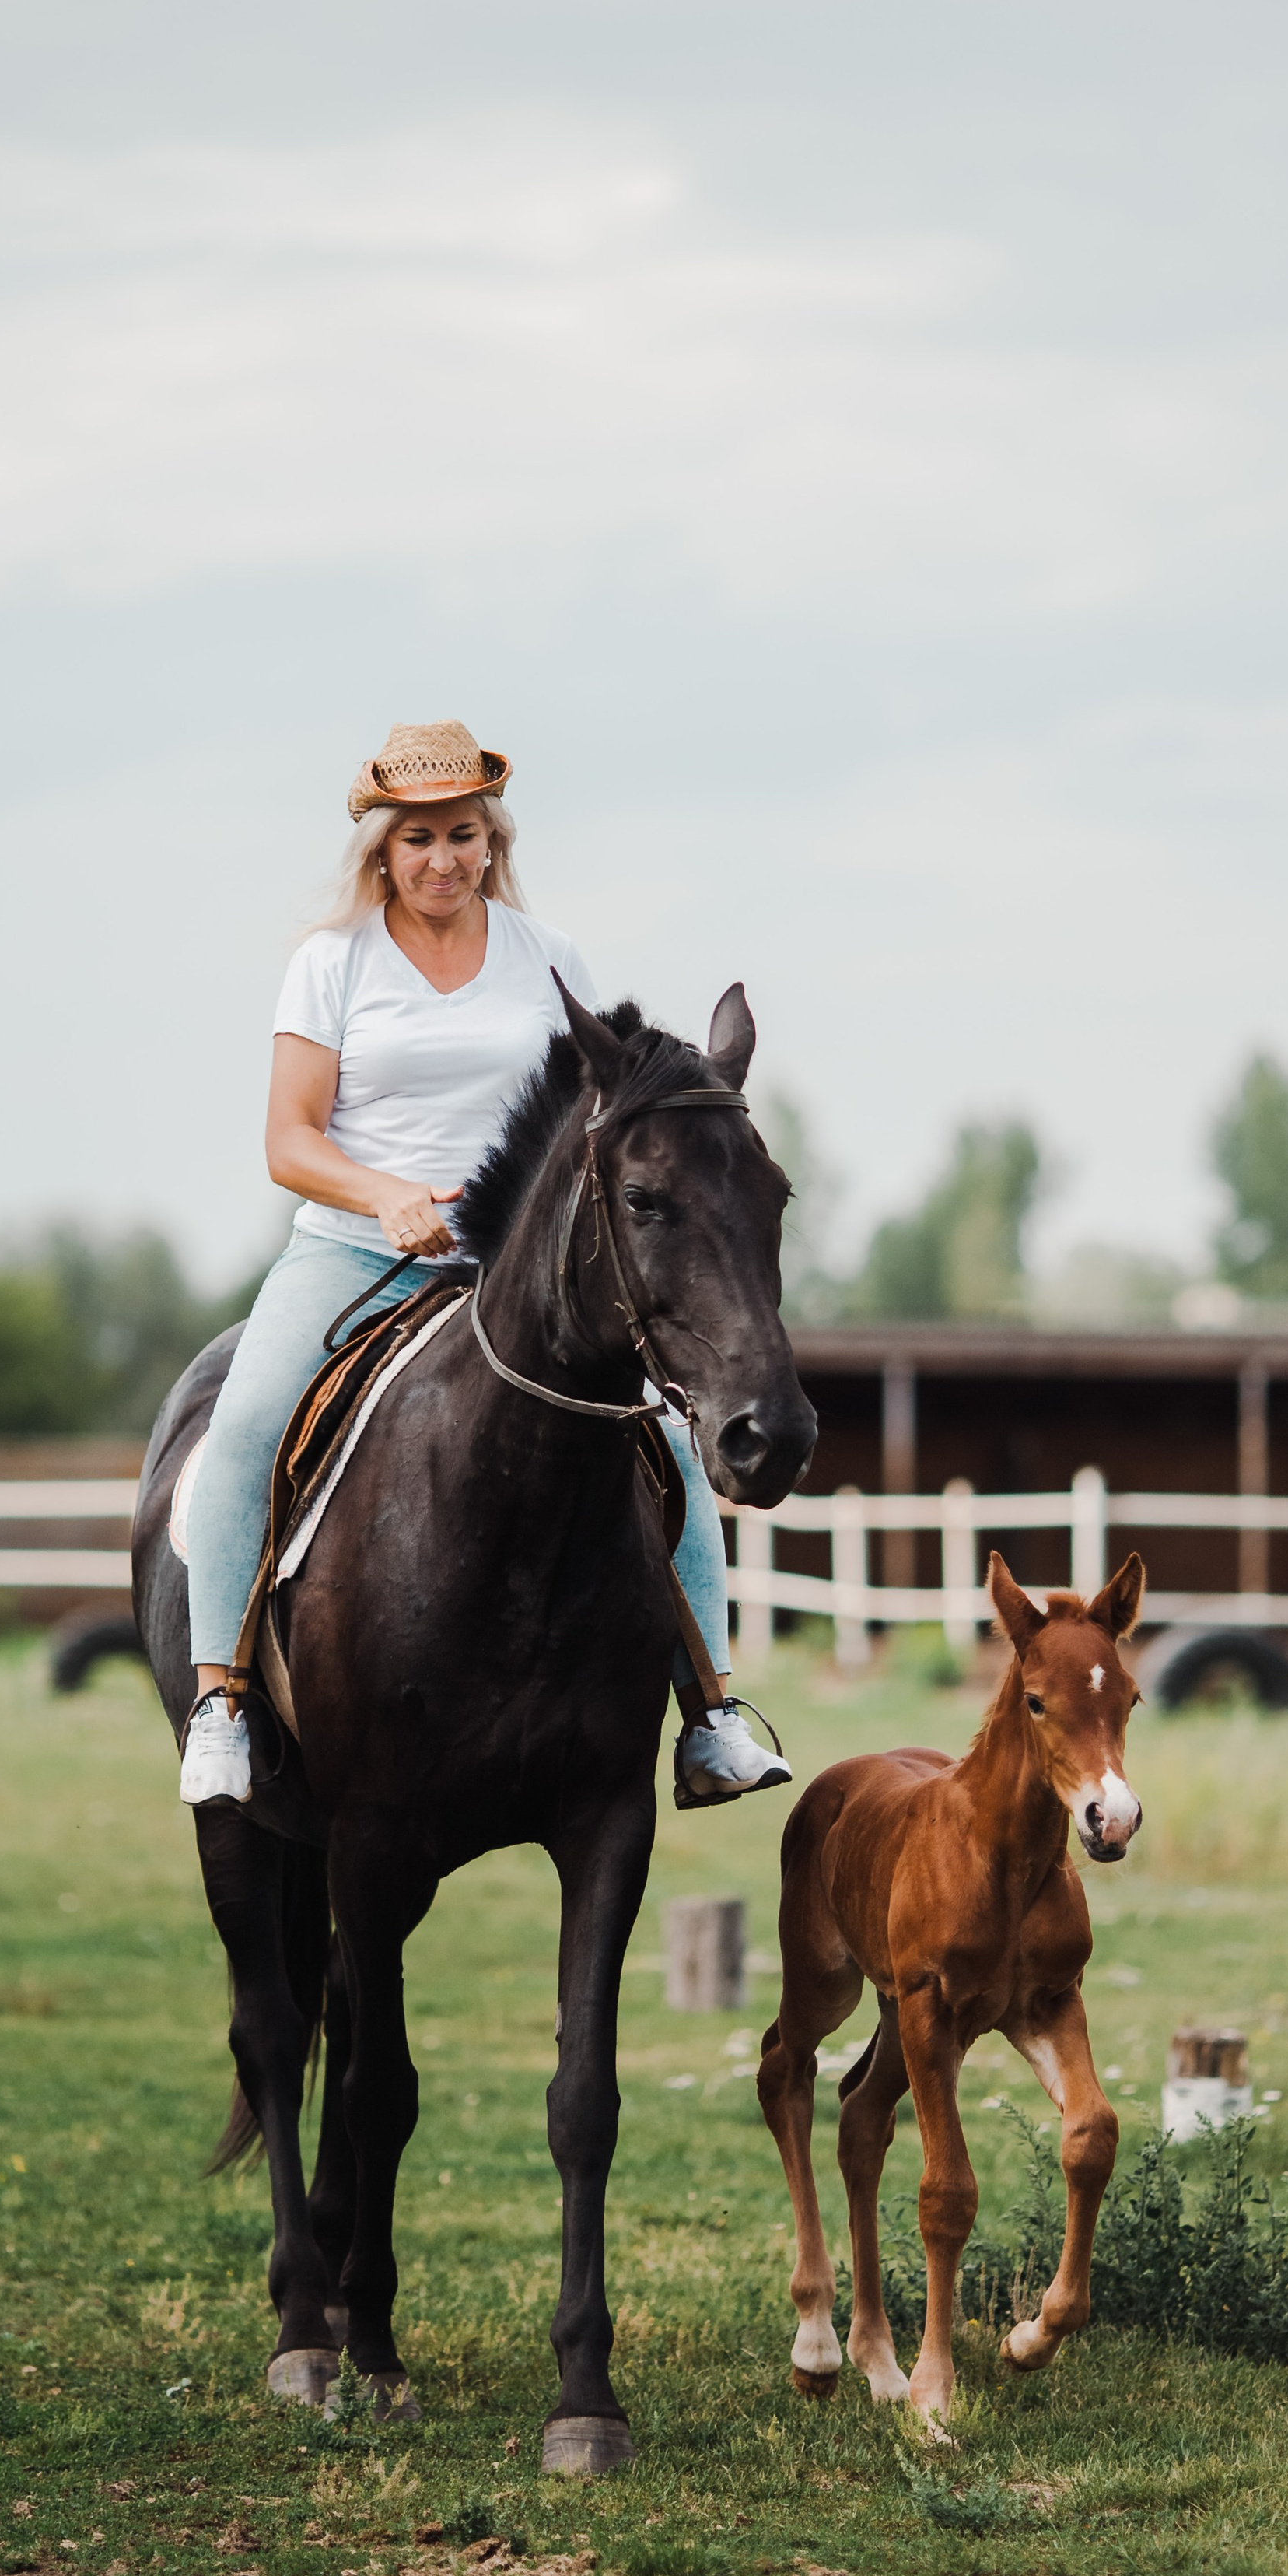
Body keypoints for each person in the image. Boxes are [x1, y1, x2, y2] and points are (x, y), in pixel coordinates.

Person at [178, 718, 793, 1814]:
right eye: (417, 840)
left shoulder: (552, 959)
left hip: (519, 1277)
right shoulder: (331, 965)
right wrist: (387, 1197)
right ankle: (222, 1699)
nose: (442, 860)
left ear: (490, 840)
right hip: (358, 1257)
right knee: (247, 1426)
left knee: (665, 1443)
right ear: (382, 850)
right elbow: (289, 1142)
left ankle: (710, 1714)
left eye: (463, 836)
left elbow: (603, 1126)